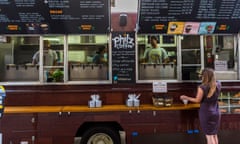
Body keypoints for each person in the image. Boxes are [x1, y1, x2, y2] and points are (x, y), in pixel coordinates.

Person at [180, 68, 221, 144]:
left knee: (209, 135)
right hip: (216, 112)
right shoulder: (218, 84)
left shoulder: (202, 87)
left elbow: (197, 100)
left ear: (204, 76)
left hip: (206, 113)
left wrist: (186, 97)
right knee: (214, 134)